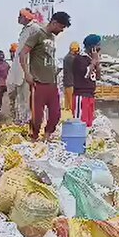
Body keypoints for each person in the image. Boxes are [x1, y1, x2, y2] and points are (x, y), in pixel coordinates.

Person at [20, 11, 71, 141]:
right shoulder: (37, 34)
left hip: (52, 82)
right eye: (61, 27)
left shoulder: (53, 38)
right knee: (37, 116)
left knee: (55, 114)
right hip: (38, 82)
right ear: (54, 23)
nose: (61, 31)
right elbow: (23, 54)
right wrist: (27, 73)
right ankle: (34, 137)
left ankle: (47, 135)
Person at [7, 8, 41, 125]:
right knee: (20, 99)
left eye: (20, 16)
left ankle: (28, 124)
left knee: (26, 100)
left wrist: (29, 71)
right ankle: (21, 122)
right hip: (19, 69)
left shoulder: (35, 28)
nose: (18, 18)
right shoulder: (25, 30)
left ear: (26, 17)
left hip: (27, 69)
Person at [71, 34, 102, 127]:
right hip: (81, 96)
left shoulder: (91, 59)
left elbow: (98, 77)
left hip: (90, 94)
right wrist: (94, 61)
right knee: (79, 122)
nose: (100, 48)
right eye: (98, 45)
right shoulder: (80, 59)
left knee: (89, 123)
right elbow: (86, 74)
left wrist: (97, 63)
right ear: (92, 47)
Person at [62, 41, 80, 111]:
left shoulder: (66, 57)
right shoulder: (72, 58)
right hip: (71, 83)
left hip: (66, 83)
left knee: (67, 105)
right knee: (72, 105)